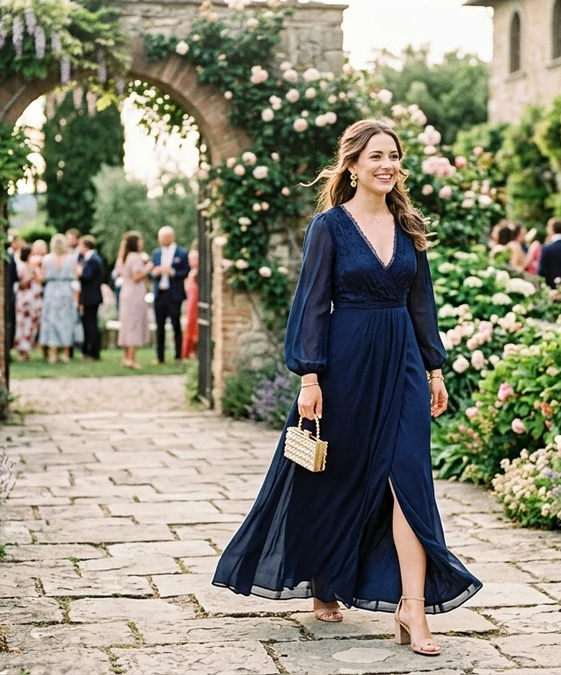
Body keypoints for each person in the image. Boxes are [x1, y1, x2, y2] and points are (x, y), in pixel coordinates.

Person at [213, 119, 481, 658]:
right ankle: (324, 577)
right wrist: (309, 376)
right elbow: (312, 302)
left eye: (394, 157)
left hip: (402, 361)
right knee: (334, 475)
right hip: (345, 363)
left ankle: (412, 606)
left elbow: (420, 303)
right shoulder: (330, 227)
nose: (387, 165)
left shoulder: (409, 226)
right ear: (353, 165)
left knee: (408, 477)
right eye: (376, 156)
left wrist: (434, 368)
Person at [149, 226, 191, 364]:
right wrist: (155, 272)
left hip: (174, 294)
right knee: (159, 325)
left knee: (176, 324)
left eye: (166, 237)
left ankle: (178, 355)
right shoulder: (156, 253)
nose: (163, 240)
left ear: (171, 237)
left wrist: (171, 272)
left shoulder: (182, 253)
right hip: (160, 292)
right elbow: (150, 272)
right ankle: (159, 356)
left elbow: (185, 272)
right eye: (161, 237)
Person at [37, 234, 79, 363]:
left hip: (51, 290)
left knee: (51, 321)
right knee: (66, 321)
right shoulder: (71, 259)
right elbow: (76, 276)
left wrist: (35, 273)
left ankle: (53, 354)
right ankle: (66, 353)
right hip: (66, 289)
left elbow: (42, 279)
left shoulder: (46, 259)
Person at [115, 231, 152, 369]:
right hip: (134, 294)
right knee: (134, 325)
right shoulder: (135, 257)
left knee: (126, 324)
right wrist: (148, 268)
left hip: (125, 292)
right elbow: (137, 277)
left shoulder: (123, 257)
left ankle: (125, 358)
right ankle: (132, 359)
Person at [13, 240, 46, 360]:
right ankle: (22, 351)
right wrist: (30, 276)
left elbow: (40, 280)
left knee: (33, 325)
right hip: (25, 299)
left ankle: (28, 349)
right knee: (23, 325)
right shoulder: (21, 267)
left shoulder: (35, 266)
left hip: (35, 299)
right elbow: (20, 284)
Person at [77, 235, 105, 361]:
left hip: (91, 296)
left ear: (85, 246)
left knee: (91, 325)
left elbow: (87, 277)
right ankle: (91, 350)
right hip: (91, 296)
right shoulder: (91, 259)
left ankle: (93, 352)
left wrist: (79, 271)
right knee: (90, 324)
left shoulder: (93, 259)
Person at [181, 249, 200, 360]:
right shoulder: (193, 273)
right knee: (191, 323)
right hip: (192, 301)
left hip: (195, 300)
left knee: (195, 323)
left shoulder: (196, 273)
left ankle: (193, 350)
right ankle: (189, 350)